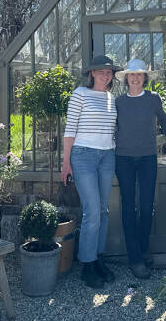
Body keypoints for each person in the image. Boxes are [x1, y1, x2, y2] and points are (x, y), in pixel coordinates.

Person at [114, 59, 166, 279]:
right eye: (131, 75)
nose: (135, 78)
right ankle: (135, 258)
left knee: (146, 206)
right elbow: (111, 126)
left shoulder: (153, 99)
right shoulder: (118, 102)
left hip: (147, 159)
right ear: (126, 79)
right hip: (123, 158)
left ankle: (144, 248)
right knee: (128, 207)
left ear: (144, 78)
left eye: (139, 75)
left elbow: (162, 119)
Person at [61, 55, 120, 289]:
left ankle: (98, 258)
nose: (106, 75)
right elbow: (69, 130)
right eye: (101, 71)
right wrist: (66, 163)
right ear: (92, 73)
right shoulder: (80, 94)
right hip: (83, 156)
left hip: (108, 156)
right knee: (92, 211)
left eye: (110, 72)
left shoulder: (111, 98)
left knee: (103, 210)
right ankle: (87, 264)